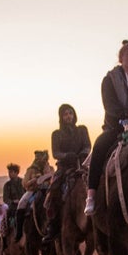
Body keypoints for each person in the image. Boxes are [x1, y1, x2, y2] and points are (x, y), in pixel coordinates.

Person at [85, 40, 128, 215]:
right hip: (116, 127)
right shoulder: (110, 80)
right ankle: (91, 196)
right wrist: (126, 113)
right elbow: (109, 105)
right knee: (100, 146)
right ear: (120, 58)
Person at [42, 103, 91, 243]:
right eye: (65, 114)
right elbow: (55, 153)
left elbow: (88, 145)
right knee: (53, 192)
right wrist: (66, 156)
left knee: (98, 183)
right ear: (61, 117)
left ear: (74, 115)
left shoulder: (82, 130)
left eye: (70, 113)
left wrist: (83, 153)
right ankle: (53, 226)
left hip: (81, 164)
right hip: (64, 167)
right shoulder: (56, 134)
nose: (68, 116)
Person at [13, 149, 54, 240]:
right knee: (21, 204)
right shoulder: (31, 170)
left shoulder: (50, 169)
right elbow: (24, 183)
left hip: (48, 190)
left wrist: (48, 176)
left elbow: (54, 179)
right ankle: (19, 231)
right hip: (33, 191)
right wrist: (33, 180)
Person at [3, 163, 24, 237]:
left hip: (24, 206)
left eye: (11, 172)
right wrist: (13, 202)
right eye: (9, 172)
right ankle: (5, 241)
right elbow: (5, 199)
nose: (9, 174)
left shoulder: (23, 183)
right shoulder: (7, 185)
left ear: (16, 172)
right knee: (6, 222)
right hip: (13, 208)